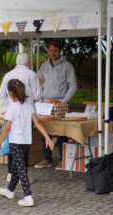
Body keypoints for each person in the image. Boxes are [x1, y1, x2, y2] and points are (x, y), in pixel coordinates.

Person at [0, 79, 54, 207]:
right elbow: (37, 123)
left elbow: (6, 128)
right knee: (17, 166)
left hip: (16, 142)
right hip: (26, 142)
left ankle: (28, 196)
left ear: (10, 93)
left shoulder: (11, 107)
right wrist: (47, 137)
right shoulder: (28, 106)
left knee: (20, 168)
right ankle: (10, 190)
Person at [0, 53, 42, 183]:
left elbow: (0, 96)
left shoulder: (7, 75)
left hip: (11, 113)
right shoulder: (32, 74)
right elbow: (38, 95)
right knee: (24, 144)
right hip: (27, 113)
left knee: (13, 143)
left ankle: (11, 173)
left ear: (17, 63)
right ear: (29, 63)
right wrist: (41, 85)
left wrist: (6, 112)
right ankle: (23, 175)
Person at [36, 39, 77, 170]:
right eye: (50, 50)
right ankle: (47, 159)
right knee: (45, 131)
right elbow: (38, 84)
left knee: (61, 132)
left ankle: (62, 160)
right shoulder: (44, 66)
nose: (52, 53)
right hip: (45, 104)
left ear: (60, 51)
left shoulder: (67, 66)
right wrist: (41, 99)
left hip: (60, 104)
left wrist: (64, 101)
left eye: (55, 51)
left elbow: (73, 86)